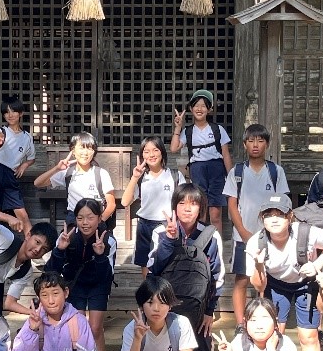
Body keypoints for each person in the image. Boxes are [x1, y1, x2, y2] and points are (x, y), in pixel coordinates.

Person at [246, 193, 323, 351]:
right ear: (262, 218)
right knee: (274, 333)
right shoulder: (256, 242)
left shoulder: (307, 233)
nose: (274, 219)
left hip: (307, 283)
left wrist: (317, 263)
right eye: (268, 215)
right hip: (276, 284)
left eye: (280, 214)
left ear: (290, 216)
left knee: (309, 336)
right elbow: (258, 285)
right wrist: (258, 265)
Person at [148, 183, 224, 351]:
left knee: (202, 335)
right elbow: (154, 267)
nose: (187, 209)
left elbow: (218, 275)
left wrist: (210, 310)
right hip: (166, 302)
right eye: (181, 203)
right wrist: (170, 241)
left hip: (198, 303)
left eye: (193, 203)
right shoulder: (160, 232)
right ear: (174, 207)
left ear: (201, 208)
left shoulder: (211, 235)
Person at [45, 198, 116, 351]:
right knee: (75, 329)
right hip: (74, 285)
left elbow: (107, 276)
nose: (85, 222)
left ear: (99, 218)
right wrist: (60, 249)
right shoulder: (69, 236)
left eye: (90, 218)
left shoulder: (108, 240)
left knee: (94, 328)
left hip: (98, 285)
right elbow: (52, 270)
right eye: (80, 218)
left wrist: (101, 255)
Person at [222, 123, 289, 326]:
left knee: (269, 281)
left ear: (267, 144)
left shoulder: (276, 171)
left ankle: (267, 322)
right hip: (242, 236)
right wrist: (242, 231)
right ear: (245, 145)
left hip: (271, 236)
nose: (255, 145)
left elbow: (284, 202)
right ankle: (242, 324)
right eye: (251, 141)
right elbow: (232, 204)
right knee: (242, 280)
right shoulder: (237, 172)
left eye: (260, 141)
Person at [0, 210, 58, 316]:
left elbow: (9, 303)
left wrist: (33, 313)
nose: (37, 249)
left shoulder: (25, 271)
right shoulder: (6, 238)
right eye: (37, 242)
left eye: (44, 249)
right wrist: (8, 218)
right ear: (28, 235)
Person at [169, 89, 232, 235]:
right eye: (196, 105)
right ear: (191, 109)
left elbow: (226, 155)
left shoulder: (218, 129)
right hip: (197, 170)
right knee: (201, 212)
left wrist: (230, 177)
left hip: (216, 170)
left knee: (215, 214)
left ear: (209, 109)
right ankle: (200, 246)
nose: (199, 109)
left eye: (204, 106)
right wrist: (178, 127)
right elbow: (173, 148)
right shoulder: (188, 131)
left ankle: (217, 247)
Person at [120, 137, 185, 277]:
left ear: (162, 152)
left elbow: (183, 201)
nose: (151, 155)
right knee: (146, 264)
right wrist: (135, 177)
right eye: (146, 151)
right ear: (142, 155)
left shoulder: (175, 176)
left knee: (168, 262)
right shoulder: (141, 178)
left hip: (167, 226)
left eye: (155, 150)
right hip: (145, 225)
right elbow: (125, 202)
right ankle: (150, 297)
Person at [0, 94, 35, 234]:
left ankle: (31, 245)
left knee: (22, 214)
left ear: (21, 113)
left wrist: (24, 165)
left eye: (14, 111)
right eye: (6, 112)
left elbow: (32, 158)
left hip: (10, 174)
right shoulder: (2, 130)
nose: (10, 115)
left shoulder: (27, 137)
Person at [34, 131, 116, 228]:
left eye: (89, 148)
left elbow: (111, 204)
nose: (85, 152)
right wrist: (57, 169)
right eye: (81, 147)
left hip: (96, 219)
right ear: (73, 151)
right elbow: (38, 183)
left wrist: (98, 222)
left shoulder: (101, 173)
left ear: (93, 152)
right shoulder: (68, 173)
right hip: (74, 219)